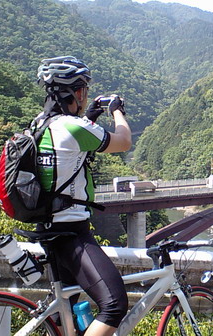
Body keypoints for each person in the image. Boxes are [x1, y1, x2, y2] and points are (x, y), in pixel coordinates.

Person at [35, 56, 131, 336]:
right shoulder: (71, 127)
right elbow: (123, 141)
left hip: (47, 227)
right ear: (76, 92)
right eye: (84, 90)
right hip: (71, 234)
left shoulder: (41, 125)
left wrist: (90, 115)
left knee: (69, 316)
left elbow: (71, 148)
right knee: (114, 304)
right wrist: (116, 111)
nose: (85, 94)